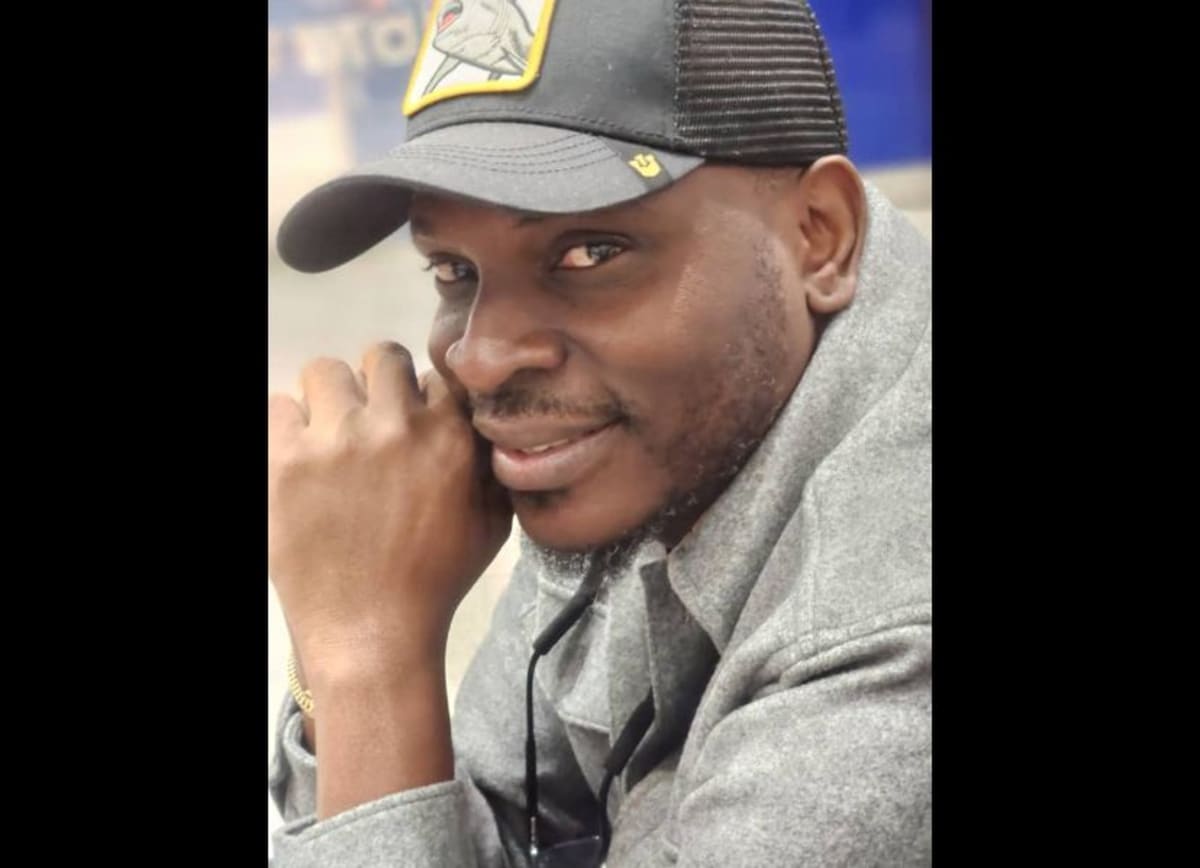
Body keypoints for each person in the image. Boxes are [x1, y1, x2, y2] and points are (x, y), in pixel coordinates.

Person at [268, 1, 931, 865]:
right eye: (453, 270)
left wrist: (364, 653)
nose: (481, 359)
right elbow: (496, 818)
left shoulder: (886, 646)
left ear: (820, 238)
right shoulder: (656, 434)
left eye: (590, 252)